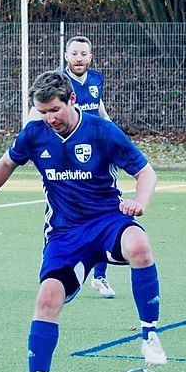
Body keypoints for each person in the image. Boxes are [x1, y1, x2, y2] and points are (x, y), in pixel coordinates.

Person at [0, 70, 167, 372]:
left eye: (54, 109)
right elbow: (6, 163)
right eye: (42, 112)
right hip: (64, 234)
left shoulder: (101, 131)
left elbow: (146, 172)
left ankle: (149, 334)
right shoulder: (35, 134)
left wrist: (140, 202)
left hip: (106, 221)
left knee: (140, 246)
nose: (49, 118)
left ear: (72, 100)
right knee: (47, 299)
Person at [63, 35, 115, 298]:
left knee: (105, 214)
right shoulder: (58, 83)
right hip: (69, 161)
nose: (79, 58)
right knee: (66, 215)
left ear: (90, 56)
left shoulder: (96, 79)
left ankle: (100, 277)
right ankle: (59, 272)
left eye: (84, 53)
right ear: (66, 56)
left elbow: (99, 110)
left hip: (99, 157)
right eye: (74, 53)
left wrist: (113, 134)